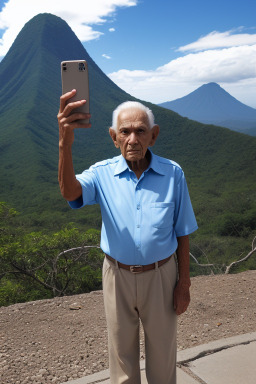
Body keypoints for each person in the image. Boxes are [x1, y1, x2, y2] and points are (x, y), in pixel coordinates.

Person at [58, 90, 198, 384]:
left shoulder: (173, 174)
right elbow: (71, 192)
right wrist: (65, 145)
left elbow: (182, 231)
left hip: (162, 274)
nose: (133, 139)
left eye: (140, 131)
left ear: (153, 136)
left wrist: (183, 282)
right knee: (121, 360)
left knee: (163, 357)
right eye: (125, 132)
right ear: (114, 137)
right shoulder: (101, 174)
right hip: (116, 275)